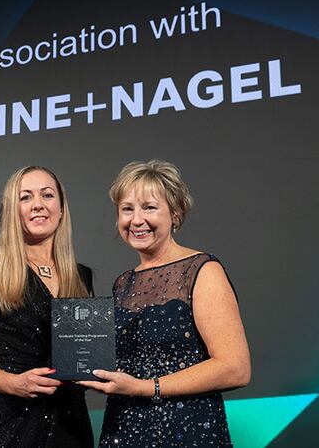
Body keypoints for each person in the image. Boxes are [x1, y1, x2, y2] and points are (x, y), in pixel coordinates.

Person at [78, 159, 251, 447]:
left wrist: (146, 388)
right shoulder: (123, 283)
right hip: (124, 430)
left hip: (186, 430)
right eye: (127, 209)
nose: (136, 220)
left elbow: (236, 368)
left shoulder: (201, 270)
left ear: (175, 213)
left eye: (149, 207)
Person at [0, 166, 94, 448]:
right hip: (9, 422)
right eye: (25, 197)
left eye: (47, 195)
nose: (38, 205)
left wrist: (91, 374)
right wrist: (12, 383)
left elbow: (85, 357)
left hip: (70, 425)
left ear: (62, 208)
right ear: (12, 211)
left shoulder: (81, 277)